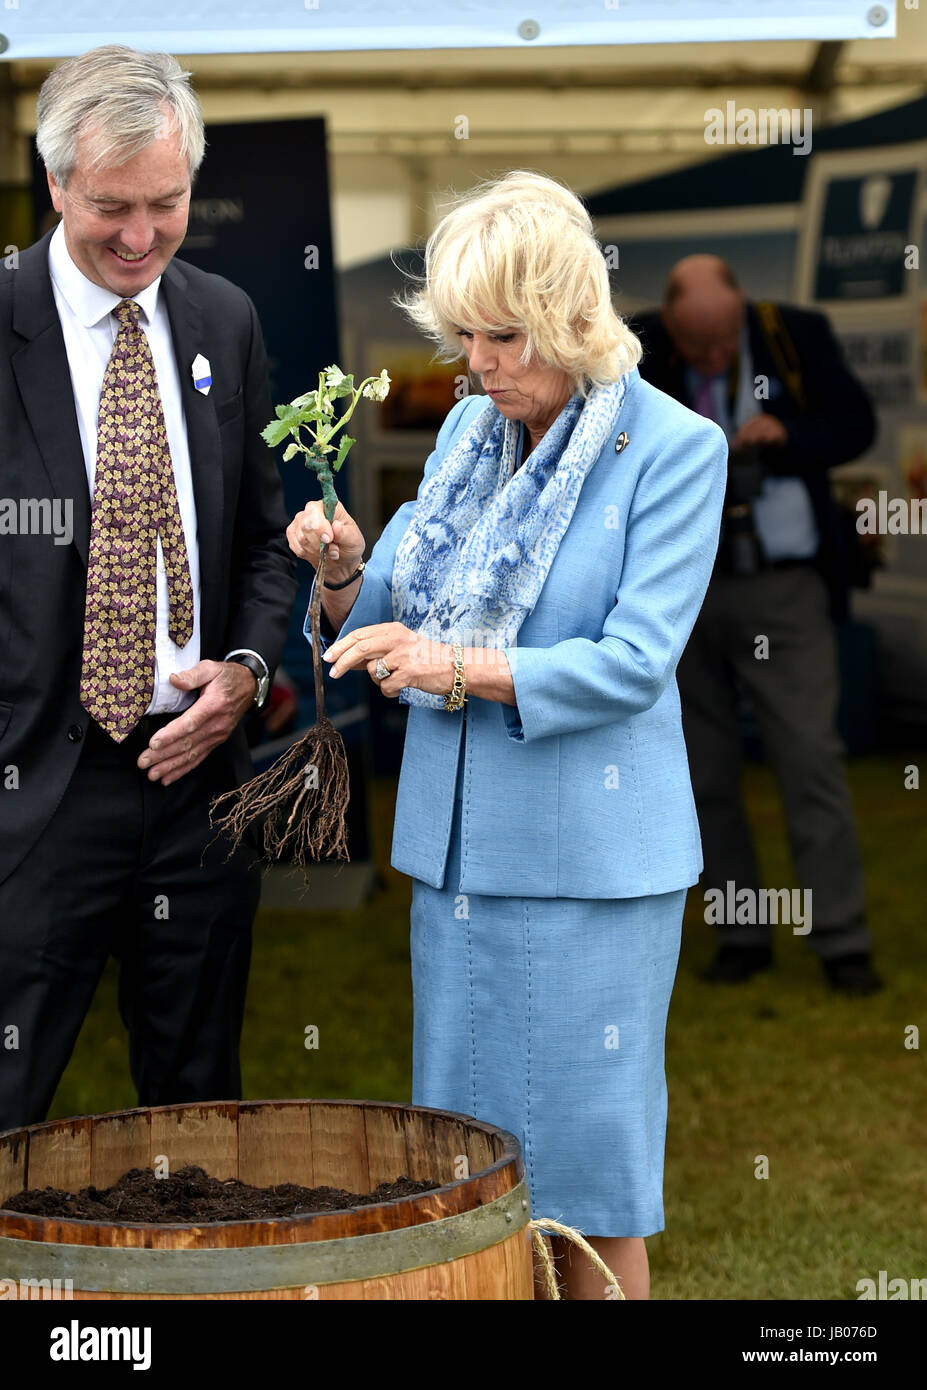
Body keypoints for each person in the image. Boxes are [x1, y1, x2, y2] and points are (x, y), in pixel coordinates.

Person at [287, 172, 728, 1299]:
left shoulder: (675, 448)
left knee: (587, 1187)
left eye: (498, 335)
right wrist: (341, 570)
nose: (472, 363)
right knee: (470, 1180)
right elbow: (383, 608)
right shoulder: (470, 434)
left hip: (590, 871)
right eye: (460, 334)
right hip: (458, 868)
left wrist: (463, 667)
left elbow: (636, 662)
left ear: (572, 318)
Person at [0, 46, 298, 1131]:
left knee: (194, 1113)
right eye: (110, 207)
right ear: (56, 186)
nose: (139, 237)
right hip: (33, 790)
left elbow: (267, 540)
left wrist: (248, 669)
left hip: (196, 787)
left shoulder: (225, 319)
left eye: (165, 204)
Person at [632, 255, 881, 994]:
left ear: (741, 305)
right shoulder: (642, 348)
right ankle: (739, 931)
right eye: (695, 348)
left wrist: (787, 433)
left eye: (719, 346)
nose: (708, 360)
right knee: (703, 770)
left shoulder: (794, 335)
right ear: (671, 325)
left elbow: (855, 425)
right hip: (682, 589)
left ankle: (841, 939)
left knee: (809, 760)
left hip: (783, 585)